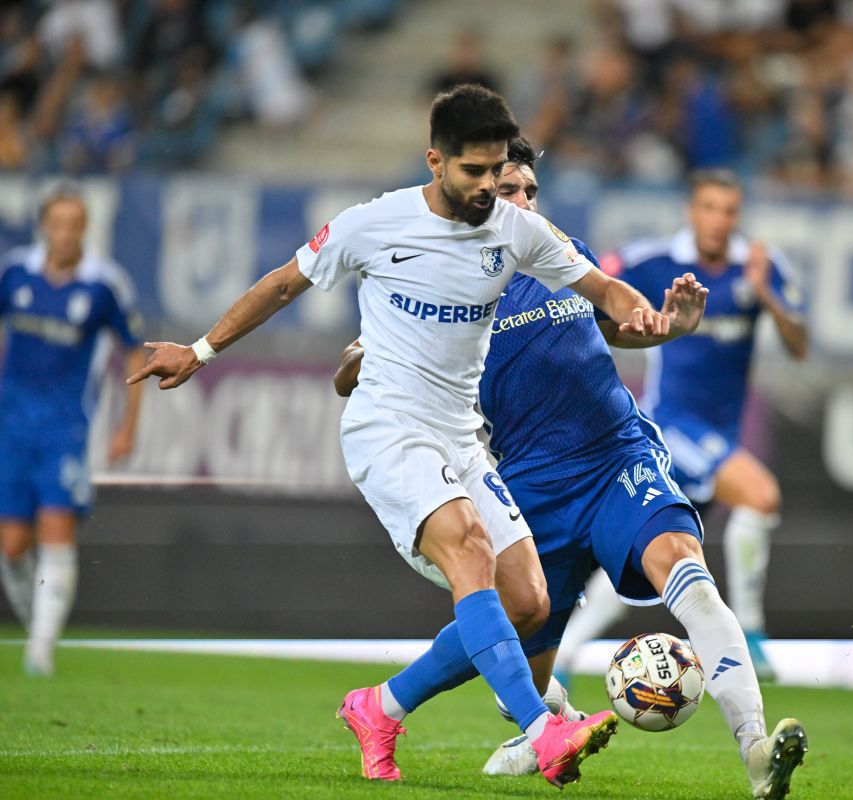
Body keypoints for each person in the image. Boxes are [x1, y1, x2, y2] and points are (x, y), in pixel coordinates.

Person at [127, 85, 673, 787]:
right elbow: (282, 284)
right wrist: (200, 351)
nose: (487, 188)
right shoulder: (375, 223)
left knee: (530, 602)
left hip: (460, 437)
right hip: (389, 427)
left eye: (496, 171)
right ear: (435, 160)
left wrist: (646, 317)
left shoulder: (518, 230)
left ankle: (380, 706)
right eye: (473, 172)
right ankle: (543, 732)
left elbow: (605, 289)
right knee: (470, 554)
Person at [335, 136, 807, 800]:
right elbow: (349, 372)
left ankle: (755, 748)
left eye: (531, 189)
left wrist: (674, 325)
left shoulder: (559, 253)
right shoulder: (437, 284)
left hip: (618, 457)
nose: (525, 202)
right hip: (530, 484)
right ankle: (395, 705)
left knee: (687, 572)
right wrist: (370, 354)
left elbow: (619, 327)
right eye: (509, 192)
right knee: (520, 650)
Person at [558, 167, 808, 682]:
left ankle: (561, 654)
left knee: (660, 556)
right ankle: (753, 637)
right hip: (671, 424)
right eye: (710, 208)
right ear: (691, 211)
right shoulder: (653, 261)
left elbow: (799, 346)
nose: (719, 221)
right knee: (760, 496)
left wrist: (769, 297)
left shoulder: (758, 268)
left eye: (729, 210)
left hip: (721, 432)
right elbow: (590, 285)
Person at [0, 187, 145, 676]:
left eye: (74, 224)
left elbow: (133, 350)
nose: (64, 233)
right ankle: (36, 626)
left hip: (65, 426)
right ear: (43, 225)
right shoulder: (15, 272)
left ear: (85, 228)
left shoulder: (105, 285)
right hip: (11, 424)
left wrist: (127, 425)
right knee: (12, 544)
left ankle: (40, 651)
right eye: (56, 223)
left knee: (57, 527)